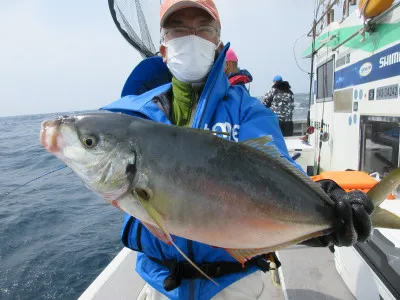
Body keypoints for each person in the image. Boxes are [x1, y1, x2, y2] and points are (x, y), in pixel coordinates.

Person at [102, 0, 374, 299]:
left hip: (236, 283)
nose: (191, 38)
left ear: (218, 46)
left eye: (203, 29)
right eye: (178, 29)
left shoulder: (248, 111)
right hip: (161, 283)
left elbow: (276, 165)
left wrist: (326, 199)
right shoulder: (134, 115)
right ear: (163, 48)